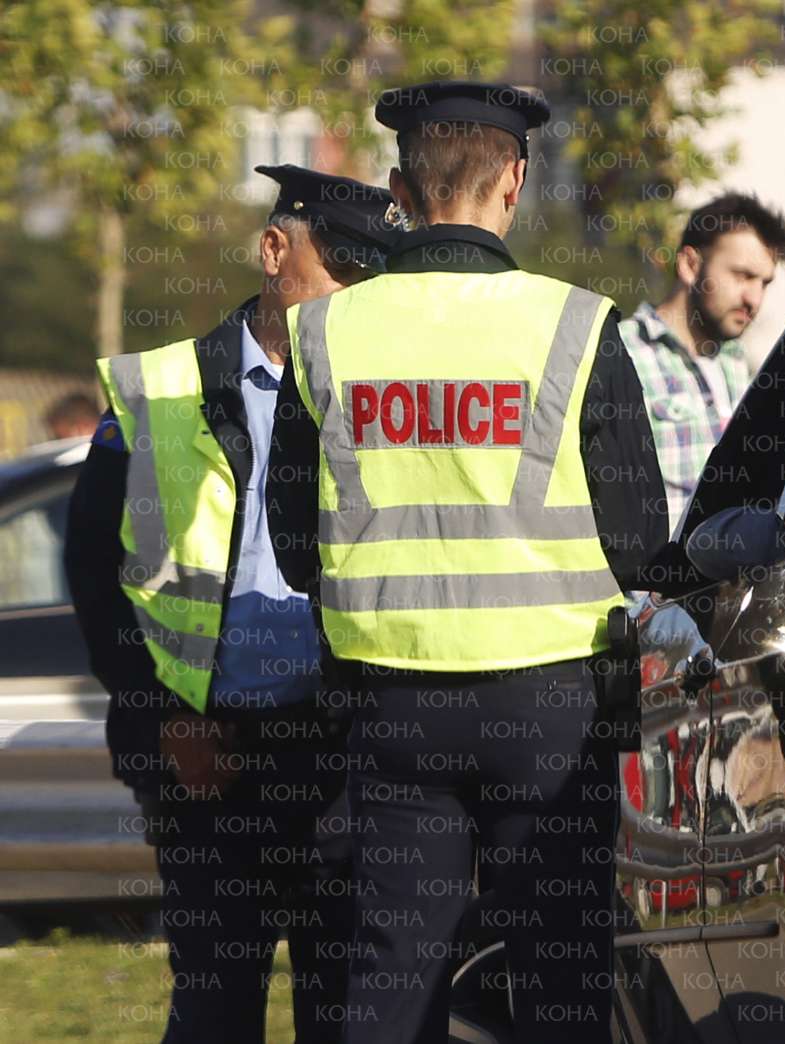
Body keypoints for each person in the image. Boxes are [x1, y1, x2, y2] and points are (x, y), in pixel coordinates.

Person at [266, 80, 667, 1044]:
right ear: (515, 183)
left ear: (400, 188)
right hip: (551, 715)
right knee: (560, 973)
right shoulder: (575, 326)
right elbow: (641, 540)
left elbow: (290, 545)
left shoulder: (322, 333)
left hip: (391, 706)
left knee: (393, 976)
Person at [63, 165, 400, 1043]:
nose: (355, 300)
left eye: (372, 281)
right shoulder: (157, 389)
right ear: (274, 251)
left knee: (342, 1012)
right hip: (204, 757)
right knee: (214, 1008)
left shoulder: (375, 404)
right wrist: (165, 715)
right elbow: (97, 578)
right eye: (345, 274)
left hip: (336, 754)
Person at [621, 192, 785, 534]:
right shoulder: (622, 353)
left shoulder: (739, 366)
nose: (754, 298)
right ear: (690, 265)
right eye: (742, 276)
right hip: (650, 584)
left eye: (764, 283)